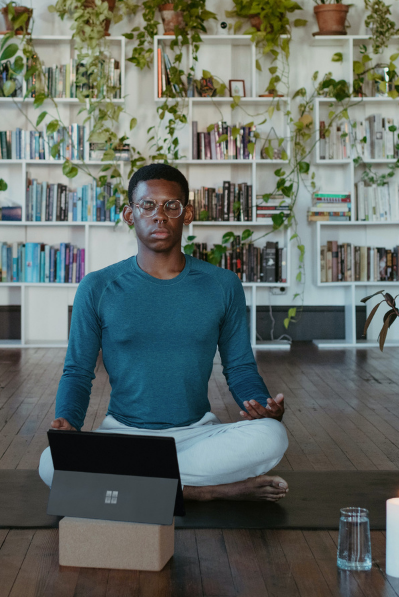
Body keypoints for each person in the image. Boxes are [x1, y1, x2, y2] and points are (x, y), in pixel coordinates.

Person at [38, 163, 290, 502]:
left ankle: (140, 486)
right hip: (123, 435)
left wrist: (264, 407)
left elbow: (240, 367)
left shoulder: (222, 285)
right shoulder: (97, 287)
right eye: (148, 205)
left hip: (197, 434)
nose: (160, 215)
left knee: (272, 436)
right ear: (130, 214)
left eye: (171, 206)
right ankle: (201, 493)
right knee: (51, 463)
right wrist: (68, 421)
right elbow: (78, 372)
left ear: (186, 215)